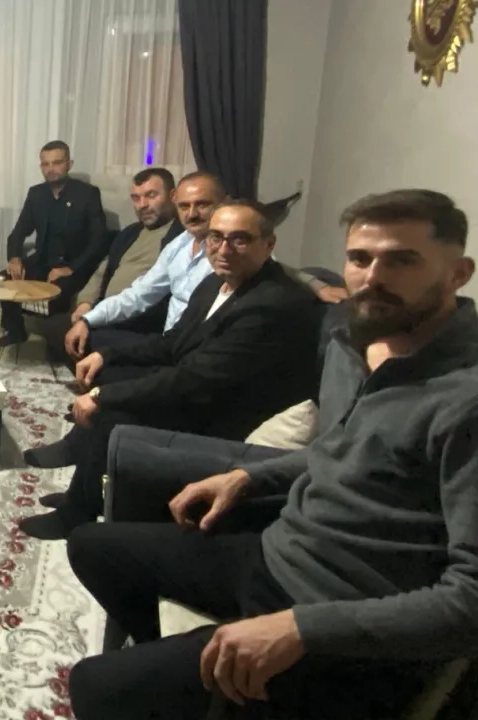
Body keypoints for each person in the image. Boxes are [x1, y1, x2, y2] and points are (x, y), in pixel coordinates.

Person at [65, 189, 478, 720]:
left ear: (458, 273)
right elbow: (341, 452)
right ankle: (178, 674)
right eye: (359, 259)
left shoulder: (463, 398)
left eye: (401, 260)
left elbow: (469, 601)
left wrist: (301, 628)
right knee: (92, 545)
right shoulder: (359, 344)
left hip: (342, 618)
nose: (373, 277)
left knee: (94, 686)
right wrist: (248, 477)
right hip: (280, 553)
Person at [20, 199, 321, 540]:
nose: (224, 249)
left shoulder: (271, 305)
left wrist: (103, 396)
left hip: (227, 417)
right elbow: (173, 343)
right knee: (110, 381)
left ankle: (75, 514)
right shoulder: (215, 284)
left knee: (113, 413)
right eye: (216, 237)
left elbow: (194, 379)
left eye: (239, 239)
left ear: (268, 244)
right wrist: (107, 355)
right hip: (201, 389)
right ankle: (87, 491)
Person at [64, 172, 344, 360]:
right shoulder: (179, 245)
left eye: (202, 204)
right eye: (185, 206)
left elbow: (274, 267)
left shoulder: (231, 252)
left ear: (224, 203)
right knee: (90, 339)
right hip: (168, 344)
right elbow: (139, 294)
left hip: (198, 351)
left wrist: (314, 284)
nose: (192, 214)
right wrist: (88, 318)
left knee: (104, 371)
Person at [0, 140, 107, 348]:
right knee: (4, 280)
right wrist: (15, 257)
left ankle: (57, 341)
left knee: (57, 295)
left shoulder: (87, 194)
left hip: (74, 265)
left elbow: (99, 241)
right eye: (45, 164)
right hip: (43, 261)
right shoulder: (36, 194)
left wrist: (70, 269)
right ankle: (15, 330)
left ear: (69, 164)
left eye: (57, 163)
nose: (50, 169)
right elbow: (18, 232)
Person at [60, 167, 185, 339]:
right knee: (55, 328)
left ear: (173, 196)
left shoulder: (181, 237)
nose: (142, 205)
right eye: (136, 198)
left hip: (139, 324)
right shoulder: (130, 232)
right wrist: (85, 303)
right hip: (104, 313)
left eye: (151, 195)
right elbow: (102, 271)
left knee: (70, 339)